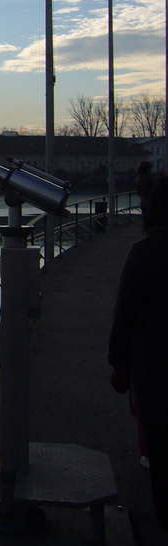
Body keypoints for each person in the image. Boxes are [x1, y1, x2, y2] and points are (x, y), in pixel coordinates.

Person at [109, 174, 168, 527]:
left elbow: (125, 314)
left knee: (161, 453)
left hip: (156, 375)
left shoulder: (144, 252)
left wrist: (120, 365)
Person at [135, 160, 157, 226]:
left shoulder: (139, 178)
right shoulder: (148, 178)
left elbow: (139, 192)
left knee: (146, 219)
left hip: (143, 201)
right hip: (150, 202)